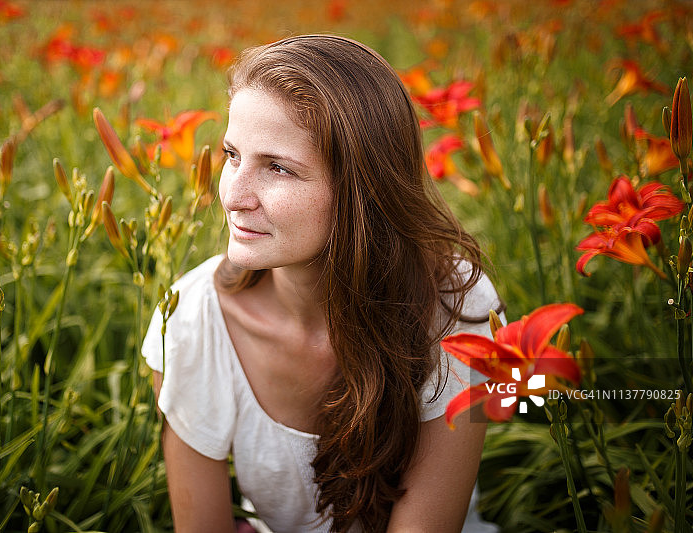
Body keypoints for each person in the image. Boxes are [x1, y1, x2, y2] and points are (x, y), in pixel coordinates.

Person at [142, 34, 504, 533]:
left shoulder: (457, 306)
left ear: (362, 190)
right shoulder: (190, 317)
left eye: (277, 168)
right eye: (231, 154)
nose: (233, 195)